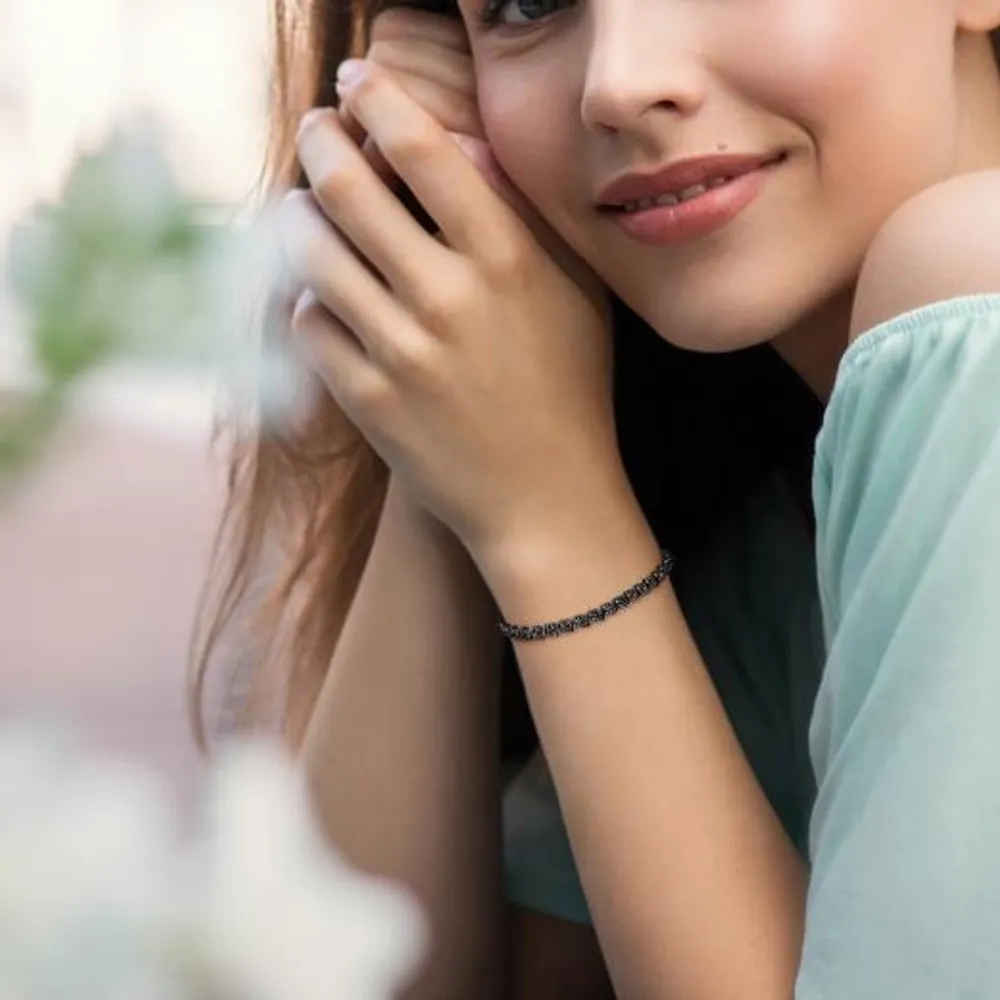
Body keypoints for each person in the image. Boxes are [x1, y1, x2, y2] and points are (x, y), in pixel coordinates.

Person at [189, 0, 1000, 995]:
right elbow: (337, 971)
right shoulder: (758, 526)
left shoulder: (977, 282)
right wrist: (456, 397)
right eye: (527, 3)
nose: (618, 80)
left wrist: (548, 519)